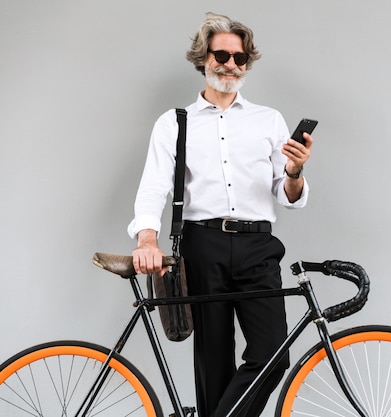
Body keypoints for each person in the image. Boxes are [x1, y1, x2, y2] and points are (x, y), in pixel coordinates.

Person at [127, 12, 313, 417]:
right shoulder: (175, 123)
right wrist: (146, 238)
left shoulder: (269, 120)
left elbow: (288, 195)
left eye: (240, 58)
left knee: (272, 354)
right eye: (222, 55)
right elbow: (154, 185)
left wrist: (295, 172)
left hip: (258, 246)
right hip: (202, 245)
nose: (231, 64)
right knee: (213, 362)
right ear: (203, 58)